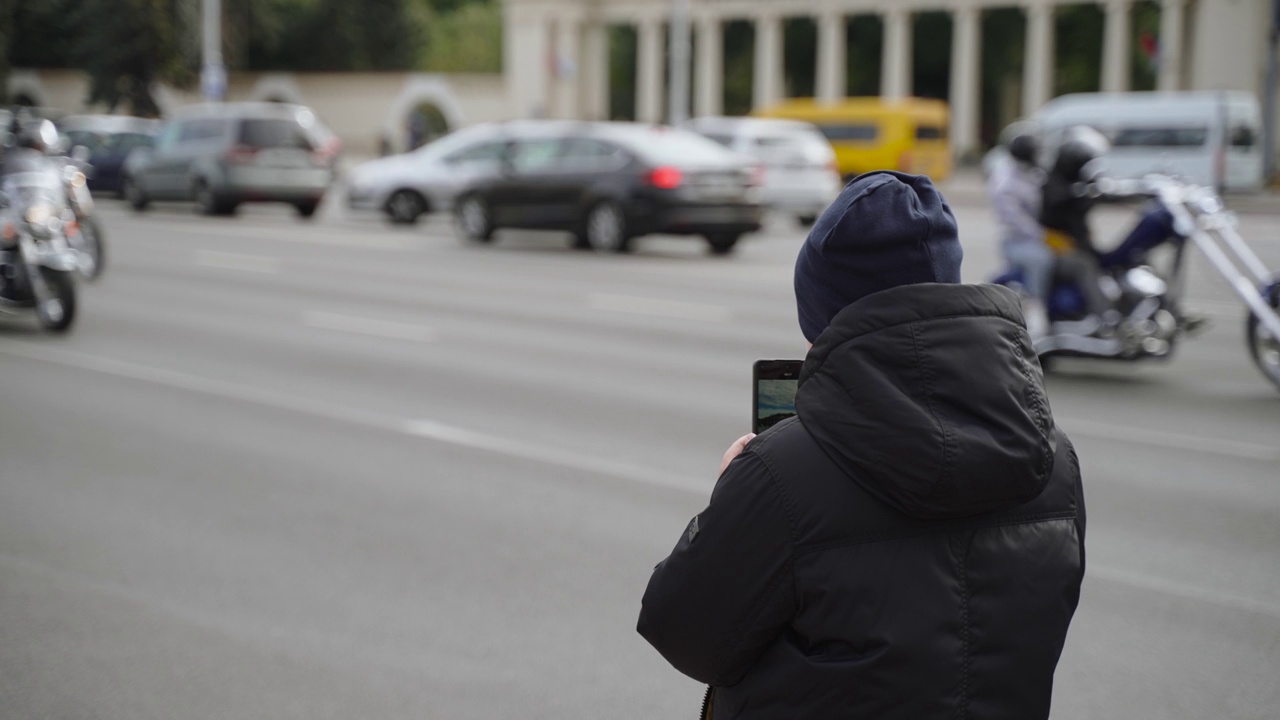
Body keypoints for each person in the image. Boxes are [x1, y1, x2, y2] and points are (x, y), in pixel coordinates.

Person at [638, 171, 1086, 720]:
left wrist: (733, 493)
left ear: (828, 315)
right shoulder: (1053, 457)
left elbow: (685, 634)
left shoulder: (783, 472)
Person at [989, 131, 1052, 339]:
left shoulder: (1032, 173)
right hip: (1016, 241)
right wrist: (1044, 236)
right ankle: (1037, 309)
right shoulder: (1005, 182)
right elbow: (1016, 221)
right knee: (1041, 259)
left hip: (1034, 235)